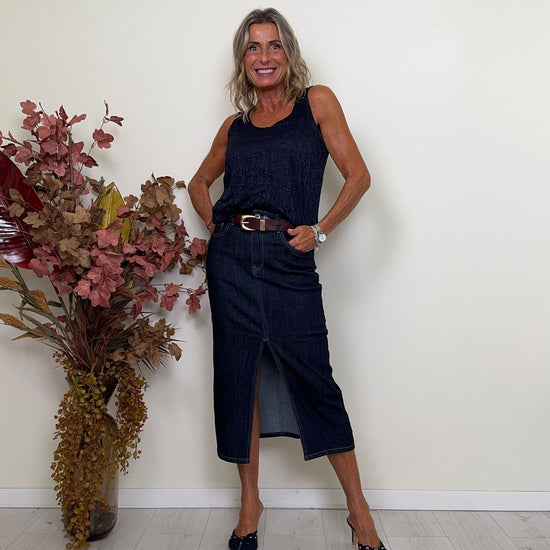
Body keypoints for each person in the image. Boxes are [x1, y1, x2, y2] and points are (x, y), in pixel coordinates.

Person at [188, 8, 386, 550]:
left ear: (288, 53)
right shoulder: (235, 128)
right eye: (253, 47)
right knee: (240, 380)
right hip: (231, 263)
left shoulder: (315, 103)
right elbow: (199, 182)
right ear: (242, 60)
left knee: (316, 380)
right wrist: (218, 228)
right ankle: (249, 505)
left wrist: (319, 230)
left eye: (273, 45)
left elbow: (359, 176)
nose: (264, 56)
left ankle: (360, 513)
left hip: (288, 259)